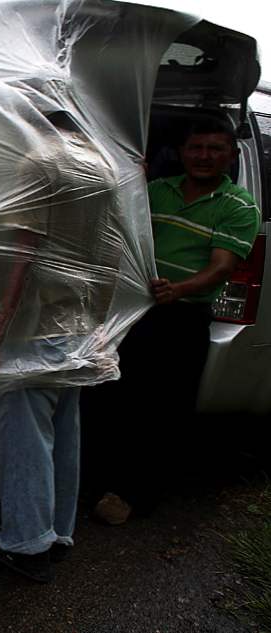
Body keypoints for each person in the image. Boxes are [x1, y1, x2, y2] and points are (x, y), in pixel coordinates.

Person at [86, 118, 261, 525]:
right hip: (134, 312)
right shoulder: (156, 191)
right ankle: (96, 483)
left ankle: (137, 496)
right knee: (114, 397)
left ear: (231, 156)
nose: (204, 156)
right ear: (181, 153)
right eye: (196, 148)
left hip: (182, 319)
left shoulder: (238, 206)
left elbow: (220, 268)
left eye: (215, 149)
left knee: (163, 411)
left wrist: (179, 289)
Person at [0, 111, 119, 584]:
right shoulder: (101, 165)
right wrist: (99, 326)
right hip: (76, 325)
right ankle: (56, 531)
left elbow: (24, 259)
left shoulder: (39, 164)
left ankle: (25, 542)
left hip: (32, 329)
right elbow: (112, 254)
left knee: (21, 439)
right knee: (62, 433)